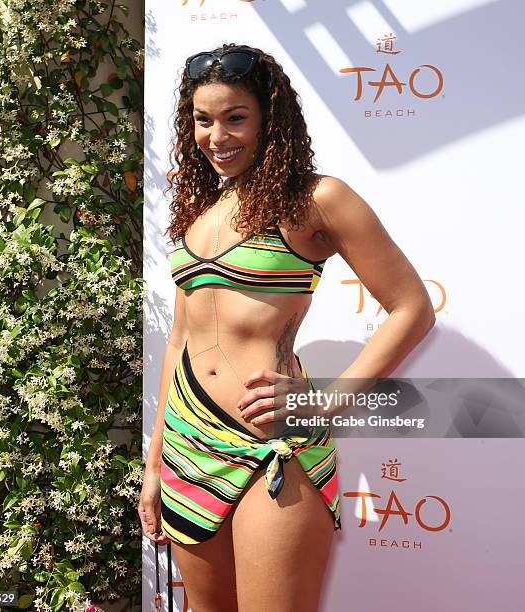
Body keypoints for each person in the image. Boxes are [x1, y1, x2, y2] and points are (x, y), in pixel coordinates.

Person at [139, 43, 435, 612]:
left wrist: (324, 406)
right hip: (186, 447)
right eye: (203, 120)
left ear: (269, 117)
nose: (217, 137)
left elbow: (412, 308)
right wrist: (153, 466)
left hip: (274, 447)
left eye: (235, 118)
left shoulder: (317, 200)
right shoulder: (197, 208)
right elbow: (179, 340)